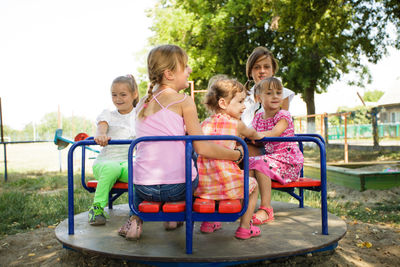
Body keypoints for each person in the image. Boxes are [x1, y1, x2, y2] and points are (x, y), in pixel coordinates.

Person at [118, 45, 243, 240]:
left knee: (160, 153)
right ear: (169, 74)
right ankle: (177, 218)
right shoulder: (184, 101)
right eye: (185, 66)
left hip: (142, 189)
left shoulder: (142, 103)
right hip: (177, 189)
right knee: (191, 151)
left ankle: (135, 217)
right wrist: (237, 155)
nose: (190, 70)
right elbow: (202, 147)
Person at [194, 76, 267, 239]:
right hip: (224, 181)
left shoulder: (205, 123)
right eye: (240, 102)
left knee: (215, 183)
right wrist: (258, 136)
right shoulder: (236, 124)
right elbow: (253, 134)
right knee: (252, 186)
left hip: (203, 185)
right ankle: (245, 227)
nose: (244, 106)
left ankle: (208, 222)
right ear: (223, 103)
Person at [249, 77, 304, 225]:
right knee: (249, 162)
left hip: (289, 162)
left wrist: (254, 135)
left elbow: (274, 133)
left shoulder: (283, 115)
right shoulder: (258, 117)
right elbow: (251, 132)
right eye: (269, 93)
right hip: (272, 160)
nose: (275, 96)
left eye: (278, 93)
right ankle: (245, 206)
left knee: (260, 163)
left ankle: (266, 209)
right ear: (259, 98)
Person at [88, 74, 139, 225]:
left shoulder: (138, 115)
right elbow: (101, 126)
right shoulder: (108, 115)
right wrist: (101, 134)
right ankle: (96, 209)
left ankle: (136, 212)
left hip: (125, 162)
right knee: (112, 168)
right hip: (105, 163)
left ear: (134, 94)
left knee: (139, 171)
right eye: (114, 95)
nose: (118, 99)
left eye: (123, 94)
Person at [242, 46, 295, 127]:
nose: (262, 71)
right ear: (250, 72)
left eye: (266, 67)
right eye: (257, 67)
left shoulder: (282, 94)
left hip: (270, 139)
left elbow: (279, 128)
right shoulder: (243, 97)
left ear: (273, 70)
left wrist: (254, 136)